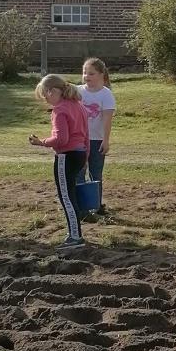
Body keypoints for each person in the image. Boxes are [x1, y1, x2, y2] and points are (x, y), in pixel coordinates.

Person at [29, 75, 90, 249]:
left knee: (66, 197)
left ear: (52, 91)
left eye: (45, 96)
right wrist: (85, 157)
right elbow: (86, 135)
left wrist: (41, 142)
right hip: (79, 154)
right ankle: (75, 233)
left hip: (66, 157)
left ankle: (75, 237)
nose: (46, 101)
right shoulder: (79, 106)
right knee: (71, 195)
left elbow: (61, 139)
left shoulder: (60, 110)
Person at [79, 56, 115, 217]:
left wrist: (105, 140)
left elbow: (107, 120)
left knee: (95, 173)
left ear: (102, 74)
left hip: (96, 140)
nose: (87, 76)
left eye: (91, 73)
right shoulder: (77, 91)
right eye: (85, 73)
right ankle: (81, 207)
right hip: (78, 140)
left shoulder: (106, 95)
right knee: (79, 172)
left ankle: (96, 205)